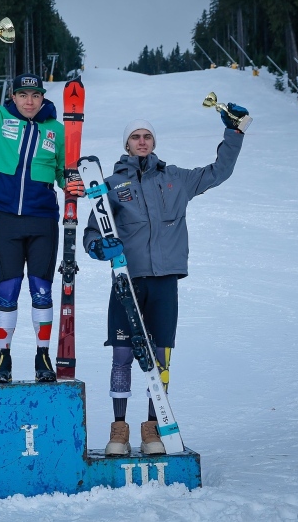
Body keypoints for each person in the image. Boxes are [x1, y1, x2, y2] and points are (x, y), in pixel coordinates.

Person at [82, 107, 249, 455]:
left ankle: (152, 430)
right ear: (126, 144)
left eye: (147, 136)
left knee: (160, 359)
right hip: (126, 282)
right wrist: (99, 247)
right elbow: (92, 232)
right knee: (123, 355)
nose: (142, 142)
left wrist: (234, 134)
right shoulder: (111, 186)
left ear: (154, 142)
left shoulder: (176, 179)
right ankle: (119, 431)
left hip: (164, 284)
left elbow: (219, 172)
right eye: (135, 137)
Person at [0, 27, 83, 383]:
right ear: (13, 95)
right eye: (23, 94)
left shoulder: (56, 131)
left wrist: (71, 183)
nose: (29, 101)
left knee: (42, 290)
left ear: (43, 98)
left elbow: (62, 171)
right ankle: (3, 358)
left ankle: (43, 356)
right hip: (8, 222)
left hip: (43, 220)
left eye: (35, 95)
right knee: (7, 291)